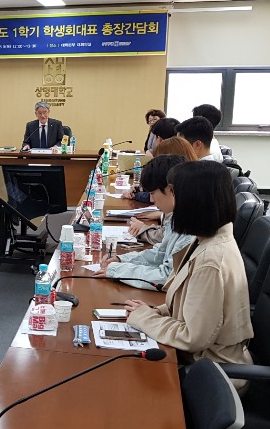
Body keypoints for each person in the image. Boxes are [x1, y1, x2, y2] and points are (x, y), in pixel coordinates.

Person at [125, 161, 253, 371]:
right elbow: (191, 308)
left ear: (192, 201)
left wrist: (145, 318)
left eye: (174, 193)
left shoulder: (210, 261)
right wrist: (153, 312)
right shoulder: (207, 239)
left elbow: (192, 338)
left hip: (210, 370)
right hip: (200, 359)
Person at [94, 155, 194, 290]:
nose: (151, 200)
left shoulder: (191, 226)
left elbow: (167, 278)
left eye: (152, 193)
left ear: (171, 189)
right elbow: (160, 254)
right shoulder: (178, 216)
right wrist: (121, 260)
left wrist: (117, 270)